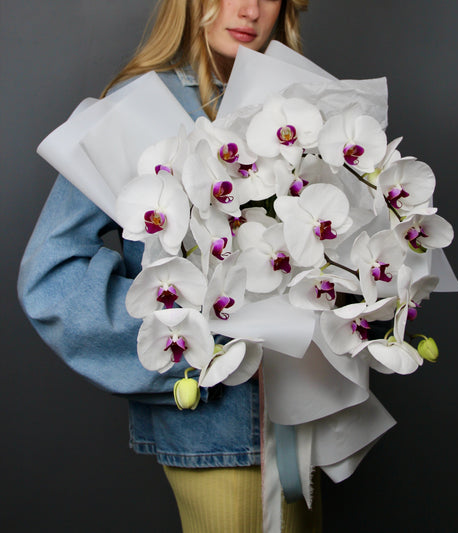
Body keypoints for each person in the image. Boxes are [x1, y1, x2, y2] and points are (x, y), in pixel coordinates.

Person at [18, 0, 321, 531]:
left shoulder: (300, 103)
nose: (248, 9)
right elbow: (50, 278)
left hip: (308, 426)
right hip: (217, 434)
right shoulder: (136, 112)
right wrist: (189, 345)